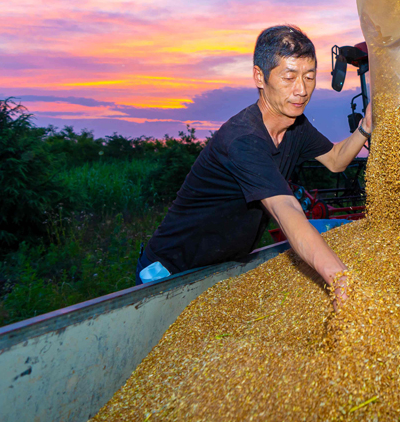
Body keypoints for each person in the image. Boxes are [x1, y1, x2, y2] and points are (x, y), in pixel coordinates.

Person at [137, 25, 370, 307]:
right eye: (289, 77)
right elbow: (286, 210)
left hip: (220, 270)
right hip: (170, 272)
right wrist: (341, 280)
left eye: (309, 77)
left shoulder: (296, 126)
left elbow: (335, 160)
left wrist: (364, 129)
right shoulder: (243, 139)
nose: (301, 90)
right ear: (260, 77)